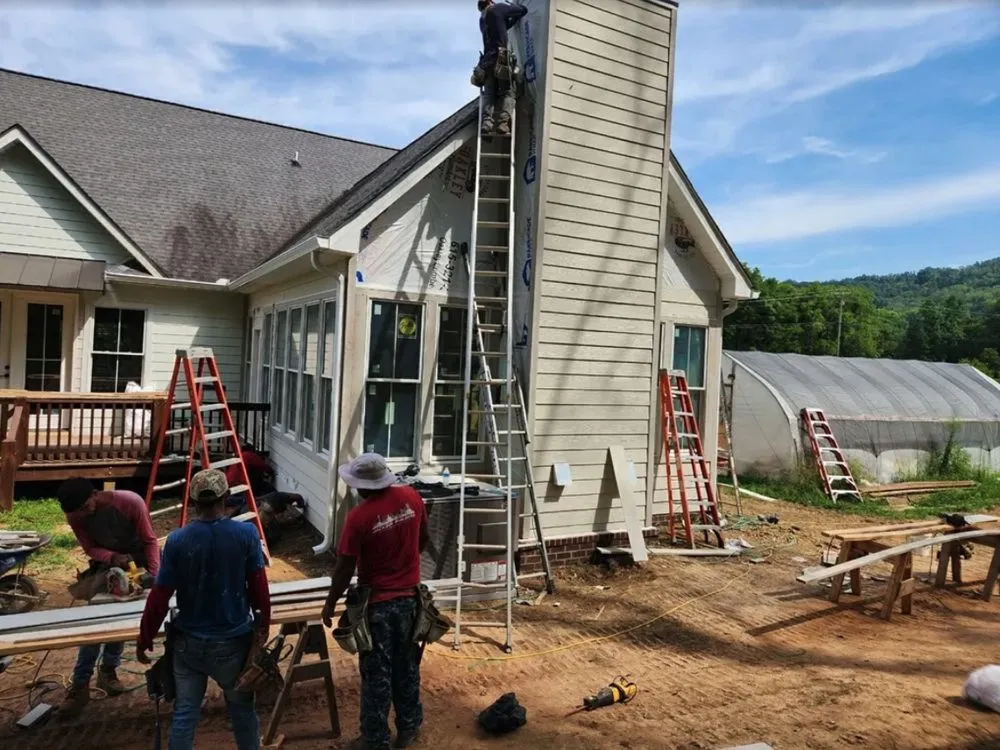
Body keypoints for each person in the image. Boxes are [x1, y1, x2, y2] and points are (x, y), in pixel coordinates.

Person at [137, 469, 271, 750]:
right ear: (226, 497)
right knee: (242, 710)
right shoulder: (246, 535)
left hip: (189, 646)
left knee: (186, 712)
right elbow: (259, 589)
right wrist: (263, 626)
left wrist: (145, 636)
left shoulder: (177, 540)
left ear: (194, 502)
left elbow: (160, 596)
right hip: (233, 643)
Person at [321, 453, 429, 750]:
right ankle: (408, 729)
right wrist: (405, 563)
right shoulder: (412, 497)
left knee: (377, 675)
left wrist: (330, 604)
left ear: (363, 487)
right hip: (410, 601)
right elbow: (424, 539)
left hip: (377, 607)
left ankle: (375, 739)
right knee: (407, 667)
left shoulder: (359, 517)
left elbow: (344, 568)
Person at [57, 477, 160, 714]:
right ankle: (80, 684)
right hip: (109, 564)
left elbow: (150, 541)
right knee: (96, 623)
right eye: (78, 512)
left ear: (94, 494)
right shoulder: (75, 515)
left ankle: (108, 670)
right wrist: (112, 558)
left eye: (85, 507)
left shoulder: (130, 502)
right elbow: (90, 548)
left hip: (141, 559)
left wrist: (155, 577)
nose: (83, 514)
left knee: (123, 618)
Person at [224, 442, 305, 548]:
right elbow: (298, 497)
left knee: (244, 502)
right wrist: (302, 507)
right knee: (272, 530)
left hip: (232, 489)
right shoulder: (249, 455)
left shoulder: (239, 458)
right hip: (242, 493)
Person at [477, 0, 528, 137]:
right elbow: (522, 10)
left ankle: (486, 123)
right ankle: (503, 123)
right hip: (501, 59)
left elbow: (504, 26)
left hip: (487, 63)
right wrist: (510, 6)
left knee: (489, 94)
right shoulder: (497, 9)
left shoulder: (482, 21)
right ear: (490, 1)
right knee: (507, 91)